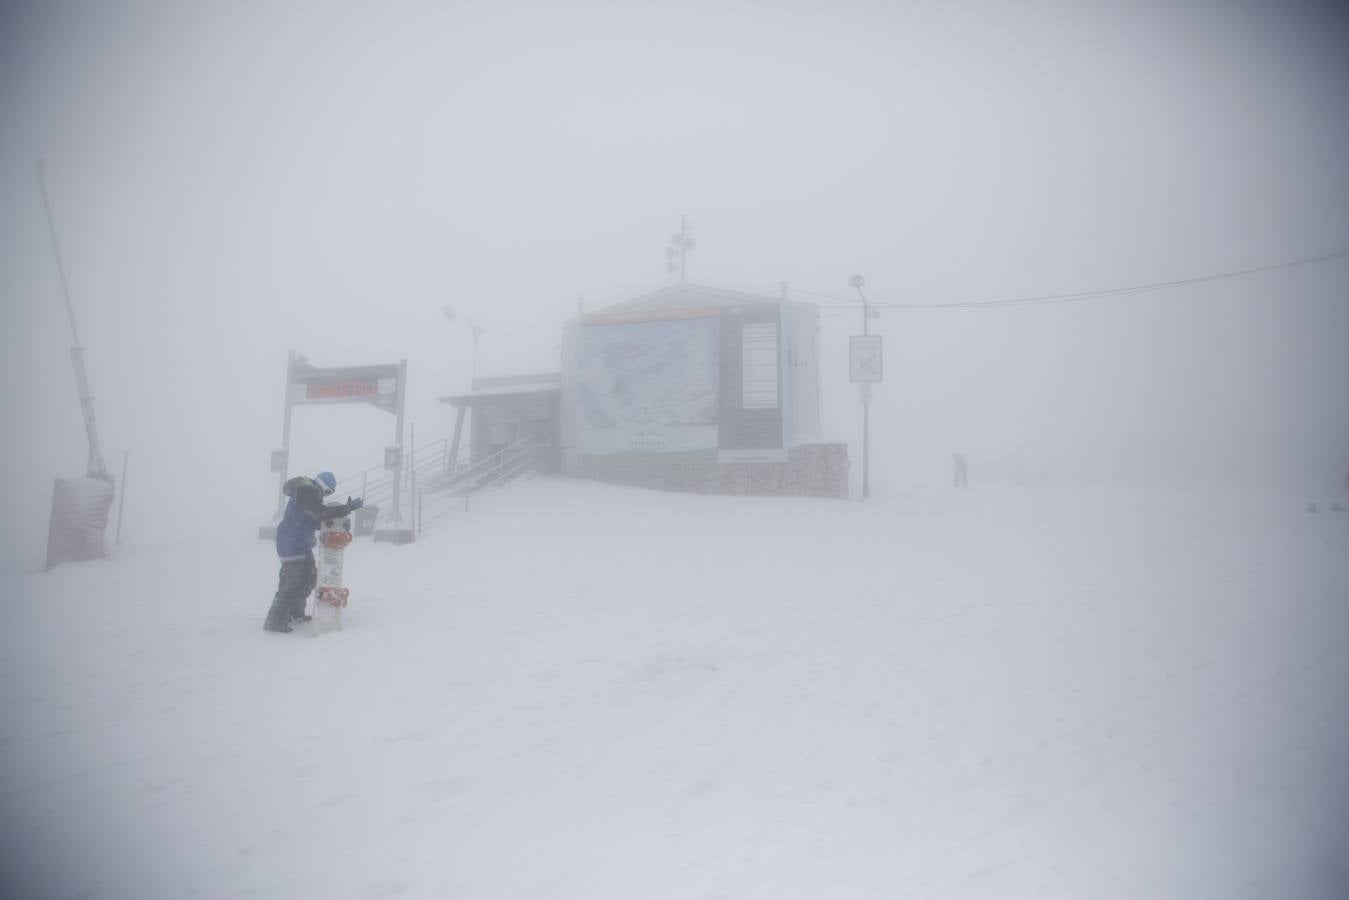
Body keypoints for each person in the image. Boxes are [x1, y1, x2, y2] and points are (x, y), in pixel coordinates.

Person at [264, 471, 363, 633]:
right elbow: (320, 513)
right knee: (290, 584)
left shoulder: (311, 495)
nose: (327, 494)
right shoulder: (307, 492)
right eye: (329, 491)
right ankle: (275, 621)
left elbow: (314, 519)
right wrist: (346, 508)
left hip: (300, 544)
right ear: (324, 486)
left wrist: (336, 522)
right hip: (292, 544)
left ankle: (295, 614)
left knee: (308, 578)